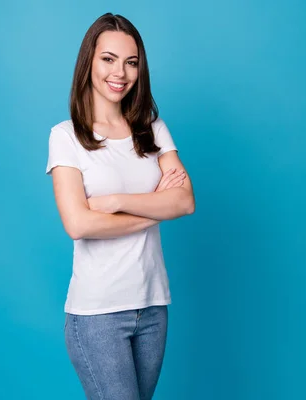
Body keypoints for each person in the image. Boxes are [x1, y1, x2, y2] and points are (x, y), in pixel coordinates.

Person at [45, 12, 195, 400]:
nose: (121, 73)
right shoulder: (66, 137)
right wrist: (154, 206)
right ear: (89, 63)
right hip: (98, 314)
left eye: (131, 62)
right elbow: (78, 224)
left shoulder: (152, 128)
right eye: (108, 59)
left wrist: (113, 203)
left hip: (153, 307)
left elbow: (184, 201)